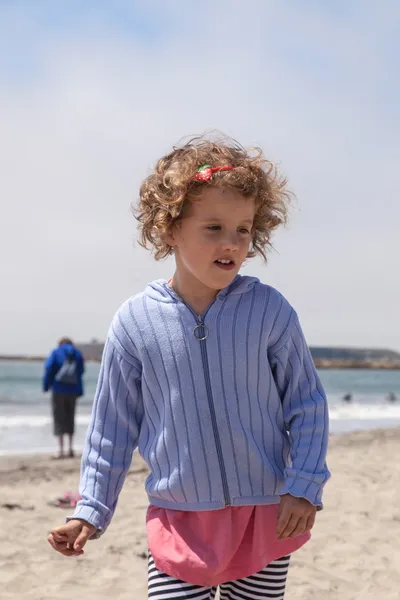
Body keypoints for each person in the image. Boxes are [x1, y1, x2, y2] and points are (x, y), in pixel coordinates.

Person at [48, 135, 330, 599]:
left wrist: (304, 484)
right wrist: (90, 509)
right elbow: (111, 429)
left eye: (244, 229)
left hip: (264, 514)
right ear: (169, 228)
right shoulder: (134, 322)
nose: (232, 243)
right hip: (178, 519)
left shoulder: (270, 311)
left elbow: (307, 405)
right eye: (214, 227)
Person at [43, 337, 85, 459]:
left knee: (59, 418)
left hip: (58, 389)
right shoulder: (77, 354)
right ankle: (70, 449)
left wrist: (46, 386)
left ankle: (61, 450)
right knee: (70, 417)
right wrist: (79, 390)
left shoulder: (56, 352)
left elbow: (49, 368)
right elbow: (81, 372)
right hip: (72, 390)